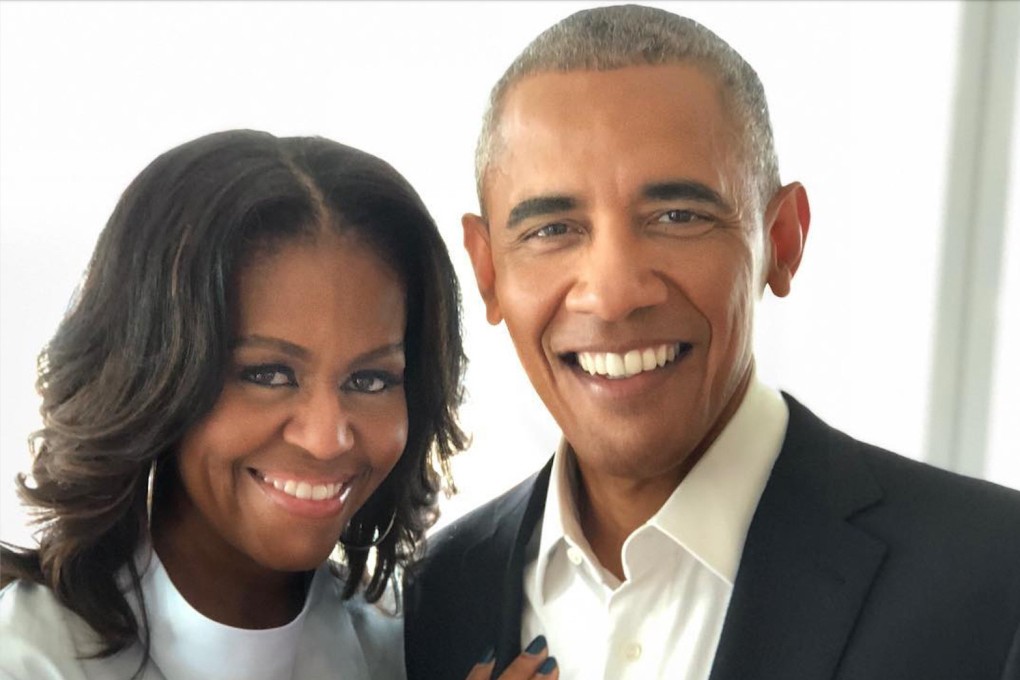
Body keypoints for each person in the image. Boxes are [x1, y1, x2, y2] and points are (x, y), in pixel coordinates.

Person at [403, 5, 1020, 680]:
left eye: (677, 216)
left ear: (780, 242)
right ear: (488, 270)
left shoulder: (995, 576)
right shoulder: (433, 599)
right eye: (553, 229)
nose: (612, 294)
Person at [0, 130, 555, 680]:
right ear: (147, 378)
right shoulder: (24, 655)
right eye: (268, 374)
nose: (327, 437)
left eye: (369, 380)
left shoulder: (415, 646)